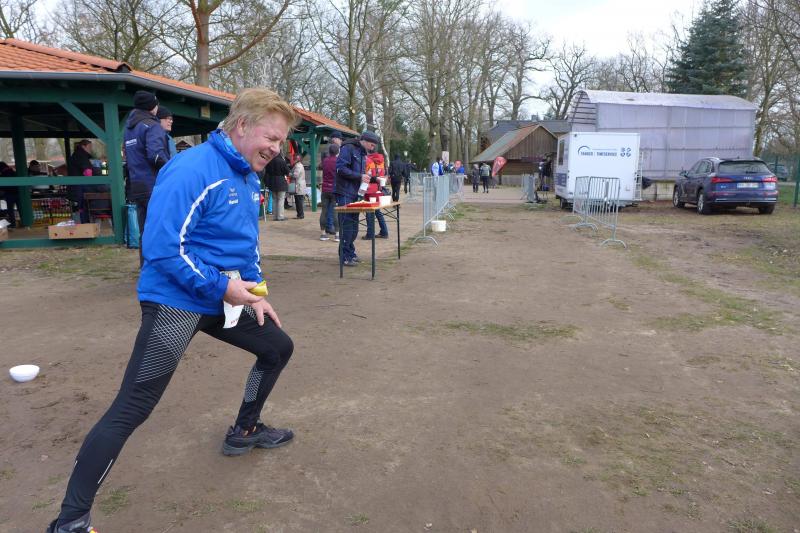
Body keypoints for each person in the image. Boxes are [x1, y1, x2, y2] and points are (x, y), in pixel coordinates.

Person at [46, 88, 299, 533]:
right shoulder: (192, 168)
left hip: (221, 298)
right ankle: (70, 520)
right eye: (271, 138)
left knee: (277, 347)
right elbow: (162, 248)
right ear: (242, 126)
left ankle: (244, 430)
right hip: (175, 301)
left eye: (280, 141)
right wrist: (224, 286)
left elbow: (243, 244)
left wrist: (255, 292)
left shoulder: (245, 173)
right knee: (133, 406)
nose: (276, 149)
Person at [124, 90, 170, 266]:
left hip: (137, 185)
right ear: (152, 106)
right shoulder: (152, 125)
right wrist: (173, 169)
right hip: (154, 185)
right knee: (160, 228)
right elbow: (156, 155)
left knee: (145, 230)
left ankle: (147, 268)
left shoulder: (129, 129)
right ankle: (160, 269)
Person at [336, 131, 379, 266]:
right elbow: (341, 169)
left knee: (354, 227)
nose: (372, 148)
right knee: (347, 225)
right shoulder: (347, 148)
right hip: (344, 192)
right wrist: (360, 176)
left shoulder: (362, 153)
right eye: (371, 145)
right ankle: (345, 256)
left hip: (355, 193)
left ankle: (350, 253)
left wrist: (374, 179)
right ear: (364, 141)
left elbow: (360, 174)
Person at [67, 139, 95, 222]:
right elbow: (87, 172)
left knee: (79, 209)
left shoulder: (76, 155)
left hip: (75, 189)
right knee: (81, 209)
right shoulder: (81, 156)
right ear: (83, 146)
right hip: (80, 189)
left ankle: (82, 225)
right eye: (89, 147)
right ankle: (83, 226)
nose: (91, 149)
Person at [363, 150, 389, 240]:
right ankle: (384, 232)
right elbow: (384, 175)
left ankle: (370, 234)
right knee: (377, 211)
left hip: (369, 190)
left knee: (369, 212)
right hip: (378, 190)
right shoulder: (382, 161)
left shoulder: (367, 160)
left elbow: (366, 175)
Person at [319, 143, 339, 241]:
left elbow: (320, 167)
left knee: (324, 212)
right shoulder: (338, 161)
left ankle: (323, 234)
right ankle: (337, 235)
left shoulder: (325, 161)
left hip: (325, 189)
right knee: (335, 212)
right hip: (335, 189)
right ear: (337, 152)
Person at [264, 154, 289, 221]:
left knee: (274, 200)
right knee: (281, 200)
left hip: (272, 182)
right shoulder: (282, 161)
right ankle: (280, 216)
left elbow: (267, 172)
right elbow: (287, 171)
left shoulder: (270, 161)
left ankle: (275, 216)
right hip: (281, 182)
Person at [0, 161, 18, 228]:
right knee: (20, 208)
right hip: (18, 192)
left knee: (10, 209)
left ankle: (13, 224)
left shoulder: (3, 174)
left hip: (9, 193)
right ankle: (24, 223)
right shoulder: (13, 172)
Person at [290, 154, 306, 219]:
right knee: (298, 201)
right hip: (299, 185)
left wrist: (289, 174)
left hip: (298, 185)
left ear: (298, 159)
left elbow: (295, 175)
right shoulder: (298, 165)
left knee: (298, 201)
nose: (293, 159)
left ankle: (300, 215)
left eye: (294, 158)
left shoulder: (298, 166)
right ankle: (299, 214)